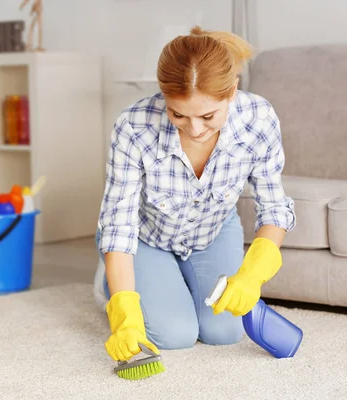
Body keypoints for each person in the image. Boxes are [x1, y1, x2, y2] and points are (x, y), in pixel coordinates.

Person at [93, 26, 296, 362]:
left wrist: (252, 275)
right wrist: (125, 313)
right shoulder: (133, 127)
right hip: (147, 236)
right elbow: (119, 225)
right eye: (178, 114)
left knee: (225, 331)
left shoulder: (258, 120)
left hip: (211, 232)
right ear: (163, 96)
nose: (195, 129)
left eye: (207, 116)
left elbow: (274, 209)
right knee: (175, 335)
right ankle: (114, 284)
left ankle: (172, 285)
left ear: (232, 91)